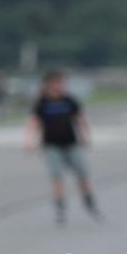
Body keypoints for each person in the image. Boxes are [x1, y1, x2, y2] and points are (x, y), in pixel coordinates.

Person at [26, 71, 100, 224]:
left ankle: (88, 200)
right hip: (51, 145)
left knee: (82, 172)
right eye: (54, 84)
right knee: (56, 176)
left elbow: (80, 119)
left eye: (60, 84)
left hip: (71, 143)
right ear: (47, 86)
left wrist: (85, 136)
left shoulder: (69, 101)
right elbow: (34, 123)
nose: (58, 87)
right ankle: (60, 206)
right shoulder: (42, 103)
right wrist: (30, 141)